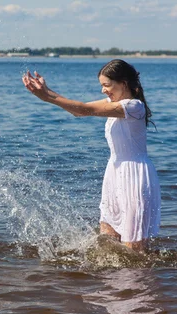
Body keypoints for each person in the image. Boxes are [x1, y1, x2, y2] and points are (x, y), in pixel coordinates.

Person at [22, 59, 160, 252]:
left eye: (106, 85)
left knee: (134, 246)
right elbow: (80, 111)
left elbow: (83, 109)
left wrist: (46, 96)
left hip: (133, 175)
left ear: (124, 84)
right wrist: (47, 91)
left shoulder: (133, 106)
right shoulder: (114, 103)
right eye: (102, 86)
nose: (103, 90)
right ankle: (109, 279)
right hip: (114, 172)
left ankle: (140, 279)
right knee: (108, 238)